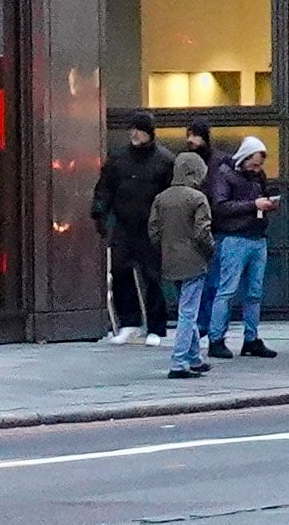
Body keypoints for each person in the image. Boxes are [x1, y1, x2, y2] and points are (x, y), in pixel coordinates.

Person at [150, 128, 222, 373]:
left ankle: (194, 357)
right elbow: (203, 232)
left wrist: (165, 249)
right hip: (194, 261)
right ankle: (180, 361)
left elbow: (153, 231)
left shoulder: (161, 198)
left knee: (185, 306)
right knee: (188, 312)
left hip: (170, 260)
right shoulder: (198, 198)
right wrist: (210, 251)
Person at [94, 113, 170, 341]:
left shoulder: (164, 161)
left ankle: (156, 328)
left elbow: (170, 194)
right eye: (132, 129)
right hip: (124, 224)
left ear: (149, 133)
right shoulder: (118, 159)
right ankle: (129, 322)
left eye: (140, 129)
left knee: (153, 277)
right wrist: (99, 213)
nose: (134, 134)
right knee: (119, 272)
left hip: (151, 227)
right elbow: (104, 188)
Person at [208, 134, 279, 357]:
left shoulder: (257, 177)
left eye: (259, 165)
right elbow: (220, 206)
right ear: (245, 157)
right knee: (227, 290)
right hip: (234, 238)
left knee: (254, 292)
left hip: (256, 237)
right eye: (254, 164)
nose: (257, 169)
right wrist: (254, 205)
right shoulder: (224, 175)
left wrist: (267, 204)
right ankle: (216, 339)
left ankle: (251, 338)